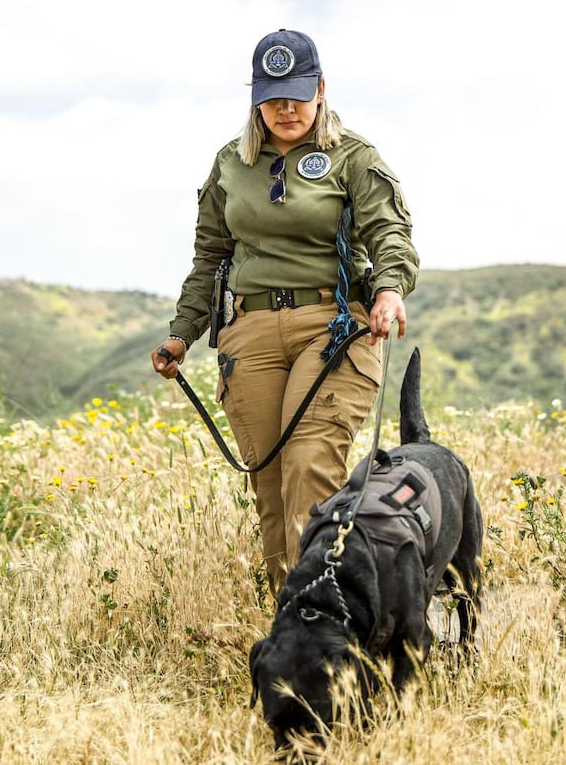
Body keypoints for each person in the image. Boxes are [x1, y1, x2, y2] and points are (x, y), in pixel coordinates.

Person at [151, 29, 418, 594]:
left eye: (297, 95)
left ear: (320, 89)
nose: (286, 109)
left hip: (334, 326)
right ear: (256, 100)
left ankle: (323, 611)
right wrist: (182, 334)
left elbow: (390, 234)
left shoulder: (354, 156)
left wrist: (390, 291)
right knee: (270, 484)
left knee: (309, 463)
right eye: (272, 98)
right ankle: (290, 615)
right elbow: (209, 258)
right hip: (249, 333)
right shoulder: (231, 163)